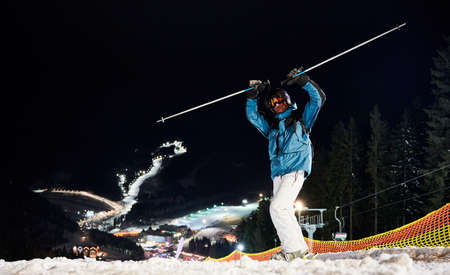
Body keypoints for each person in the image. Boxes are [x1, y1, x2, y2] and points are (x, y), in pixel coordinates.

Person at [245, 68, 326, 261]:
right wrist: (252, 97)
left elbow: (319, 99)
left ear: (287, 100)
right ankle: (300, 251)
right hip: (278, 174)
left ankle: (292, 252)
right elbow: (253, 117)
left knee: (277, 208)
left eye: (281, 99)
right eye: (273, 102)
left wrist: (303, 81)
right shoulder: (272, 127)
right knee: (286, 210)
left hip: (296, 169)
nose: (278, 104)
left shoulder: (300, 119)